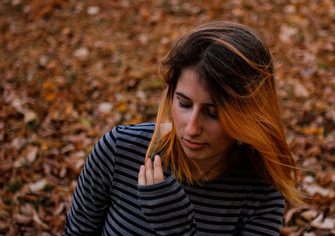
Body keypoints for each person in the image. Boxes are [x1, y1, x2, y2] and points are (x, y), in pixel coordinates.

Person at [64, 21, 302, 235]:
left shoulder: (261, 195)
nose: (192, 127)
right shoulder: (119, 150)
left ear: (247, 114)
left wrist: (176, 227)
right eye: (184, 103)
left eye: (212, 112)